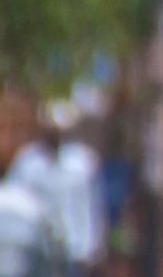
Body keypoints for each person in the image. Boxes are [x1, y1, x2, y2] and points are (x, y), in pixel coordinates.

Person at [6, 102, 103, 277]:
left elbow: (91, 206)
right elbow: (13, 202)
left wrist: (91, 248)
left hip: (73, 248)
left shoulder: (81, 162)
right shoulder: (27, 161)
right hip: (36, 248)